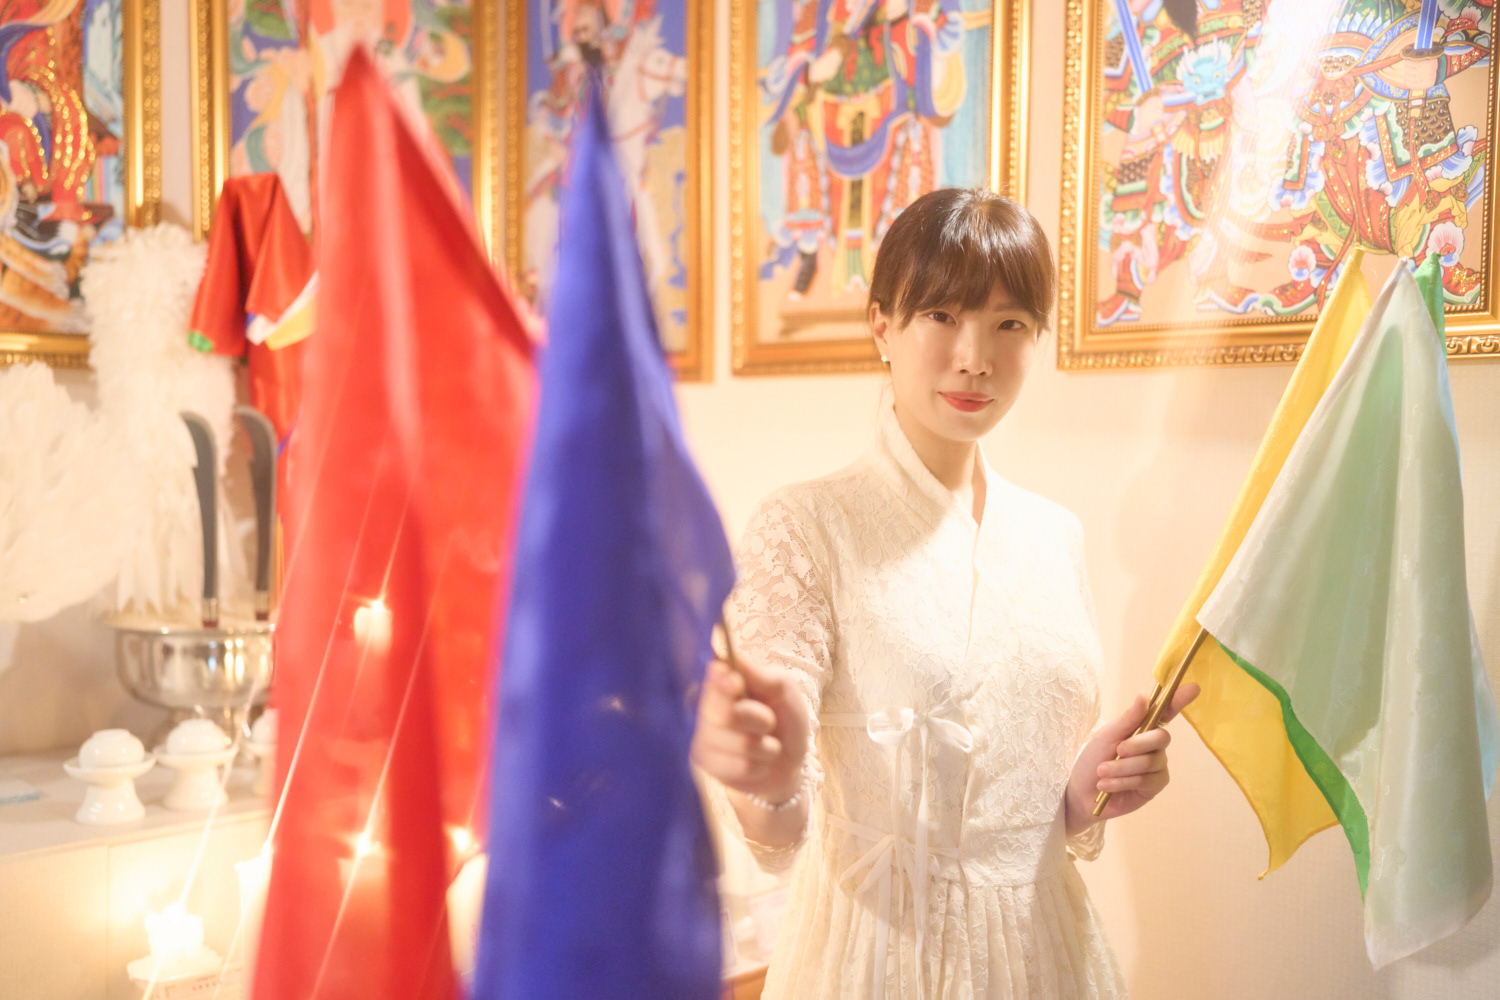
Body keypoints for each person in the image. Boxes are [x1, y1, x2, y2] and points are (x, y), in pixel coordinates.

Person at [693, 187, 1198, 999]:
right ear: (881, 325)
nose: (975, 357)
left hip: (1047, 953)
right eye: (941, 316)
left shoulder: (1053, 535)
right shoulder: (807, 526)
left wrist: (1080, 795)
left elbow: (1021, 795)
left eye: (1010, 324)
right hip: (878, 962)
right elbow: (778, 819)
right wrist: (762, 769)